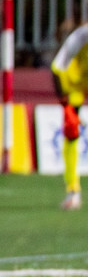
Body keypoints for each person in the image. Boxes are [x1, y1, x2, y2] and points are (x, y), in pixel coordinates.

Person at [50, 18, 88, 211]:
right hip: (75, 86)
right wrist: (65, 106)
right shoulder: (80, 37)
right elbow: (56, 68)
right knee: (71, 132)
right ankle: (73, 191)